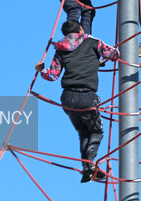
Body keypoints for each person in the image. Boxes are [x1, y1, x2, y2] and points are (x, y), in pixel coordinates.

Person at [35, 20, 119, 183]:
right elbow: (114, 54)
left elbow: (52, 75)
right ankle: (89, 165)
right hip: (86, 95)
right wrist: (99, 60)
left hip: (67, 97)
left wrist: (41, 70)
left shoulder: (61, 48)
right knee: (95, 131)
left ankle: (88, 168)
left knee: (83, 132)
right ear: (80, 29)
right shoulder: (93, 43)